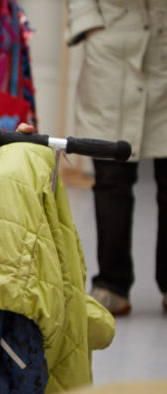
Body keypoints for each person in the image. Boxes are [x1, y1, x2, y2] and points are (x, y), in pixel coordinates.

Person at [66, 0, 167, 316]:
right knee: (111, 180)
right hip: (111, 43)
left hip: (161, 40)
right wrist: (87, 22)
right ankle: (112, 283)